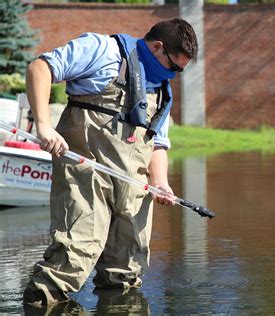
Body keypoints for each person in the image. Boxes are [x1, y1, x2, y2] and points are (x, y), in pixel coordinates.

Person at [22, 18, 198, 306]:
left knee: (126, 273)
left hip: (133, 190)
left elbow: (157, 143)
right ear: (157, 47)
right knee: (73, 256)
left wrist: (161, 183)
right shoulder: (103, 50)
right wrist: (43, 125)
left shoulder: (164, 89)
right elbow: (40, 68)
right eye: (175, 66)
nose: (175, 75)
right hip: (87, 176)